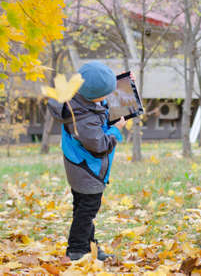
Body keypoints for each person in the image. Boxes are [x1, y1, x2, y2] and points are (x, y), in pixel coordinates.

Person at [48, 61, 127, 261]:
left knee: (84, 210)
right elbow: (99, 146)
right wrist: (116, 130)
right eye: (106, 93)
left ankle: (89, 247)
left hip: (79, 167)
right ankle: (76, 250)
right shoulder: (83, 118)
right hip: (87, 170)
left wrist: (126, 86)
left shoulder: (80, 100)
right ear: (95, 96)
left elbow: (99, 106)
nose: (109, 96)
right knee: (86, 211)